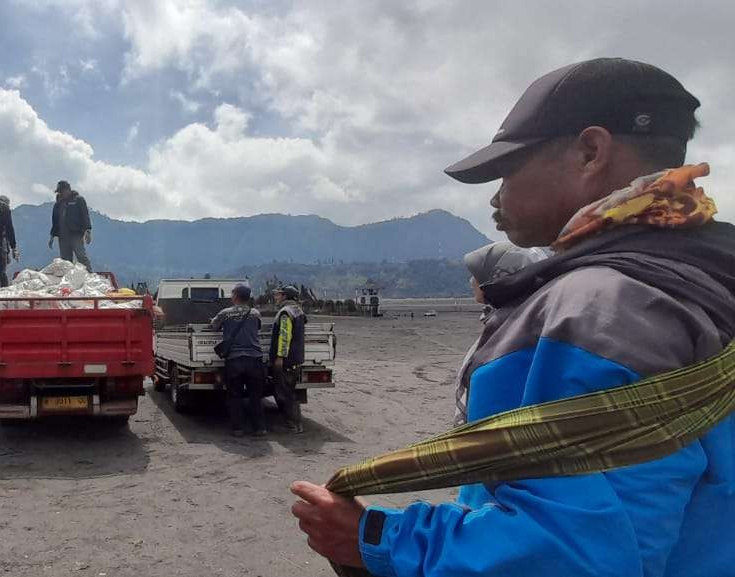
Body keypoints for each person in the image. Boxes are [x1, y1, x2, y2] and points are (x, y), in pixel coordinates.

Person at [291, 58, 735, 577]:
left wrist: (374, 538)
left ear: (591, 152)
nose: (497, 196)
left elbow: (576, 555)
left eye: (508, 168)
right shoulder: (707, 274)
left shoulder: (600, 307)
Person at [452, 242, 549, 425]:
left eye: (477, 275)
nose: (471, 281)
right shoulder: (527, 318)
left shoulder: (511, 332)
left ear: (497, 280)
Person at [209, 285, 265, 437]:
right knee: (255, 395)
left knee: (235, 395)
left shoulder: (225, 313)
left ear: (235, 296)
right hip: (254, 359)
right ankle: (259, 428)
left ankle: (238, 428)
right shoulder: (255, 313)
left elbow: (213, 326)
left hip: (234, 360)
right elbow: (257, 328)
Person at [269, 285, 306, 434]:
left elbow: (285, 336)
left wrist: (280, 357)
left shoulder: (286, 312)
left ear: (285, 296)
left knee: (284, 393)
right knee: (290, 391)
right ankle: (296, 424)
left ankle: (292, 425)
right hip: (296, 358)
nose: (276, 297)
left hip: (287, 360)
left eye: (279, 295)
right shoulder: (298, 310)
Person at [48, 180, 92, 270]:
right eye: (59, 192)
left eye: (61, 191)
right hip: (62, 236)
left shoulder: (78, 200)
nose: (60, 193)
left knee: (81, 256)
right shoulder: (58, 204)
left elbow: (85, 215)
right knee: (65, 261)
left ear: (67, 189)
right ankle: (68, 279)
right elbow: (55, 221)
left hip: (75, 234)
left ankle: (90, 274)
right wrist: (52, 236)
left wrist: (88, 230)